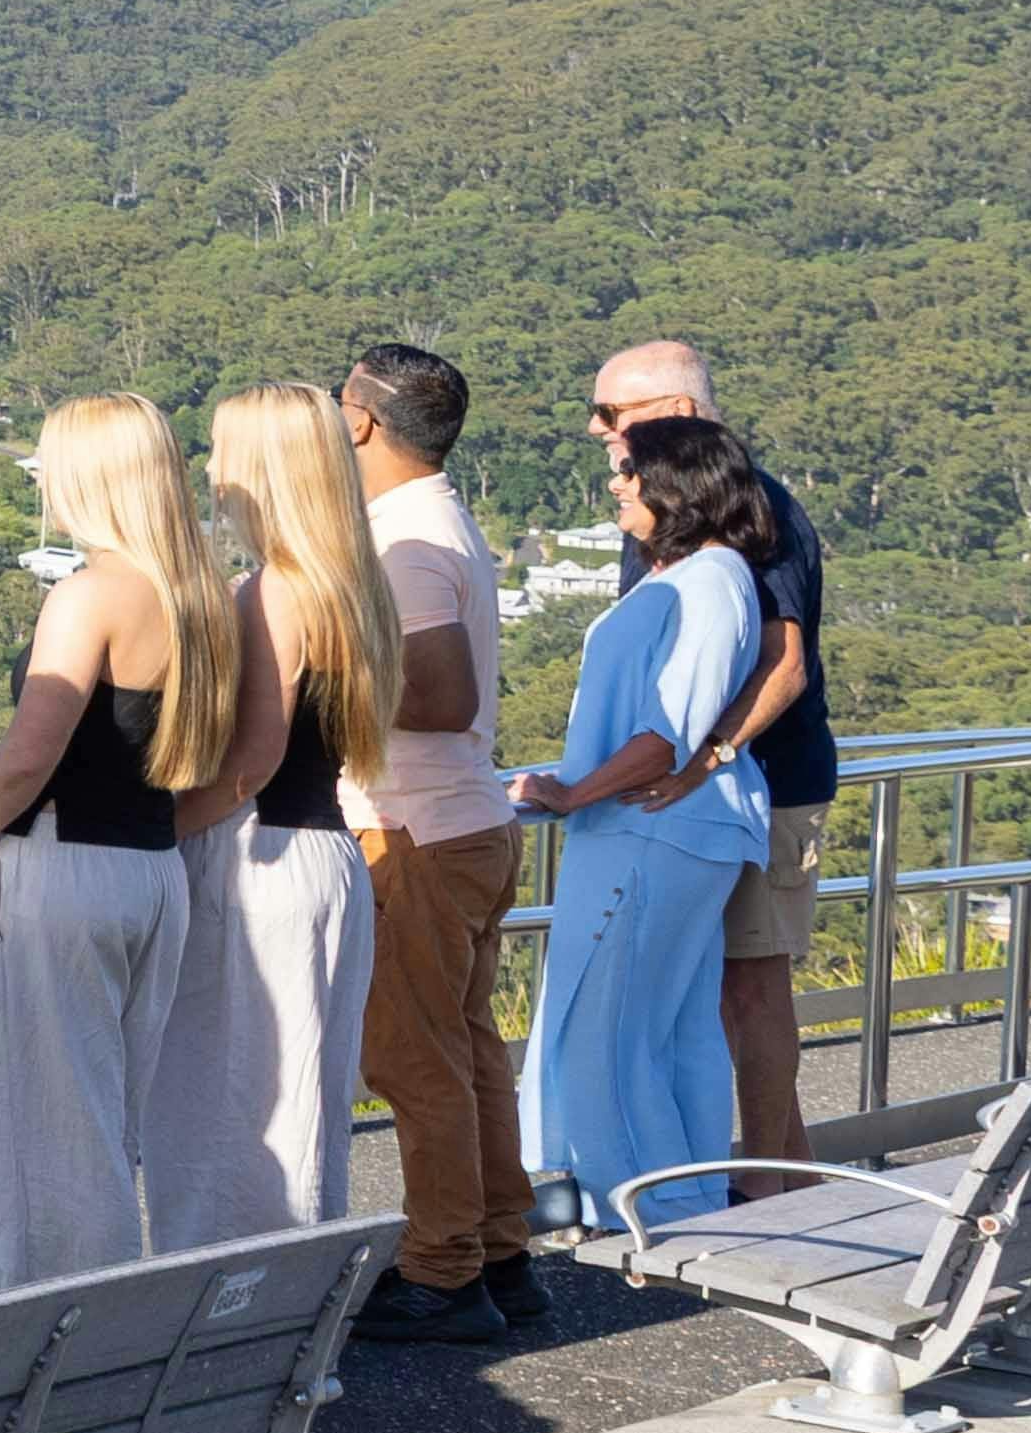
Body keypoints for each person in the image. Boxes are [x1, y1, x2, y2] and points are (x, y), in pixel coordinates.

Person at [0, 395, 247, 1289]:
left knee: (41, 1135)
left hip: (60, 870)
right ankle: (104, 1331)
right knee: (106, 1124)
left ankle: (52, 1348)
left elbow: (31, 749)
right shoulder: (202, 597)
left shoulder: (88, 593)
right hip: (150, 871)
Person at [514, 410, 784, 1227]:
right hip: (671, 832)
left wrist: (567, 794)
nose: (614, 484)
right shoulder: (710, 577)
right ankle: (685, 1197)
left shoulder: (705, 582)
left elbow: (664, 734)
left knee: (602, 1025)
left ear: (677, 484)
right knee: (669, 1028)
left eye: (628, 469)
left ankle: (634, 1205)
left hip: (647, 831)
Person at [151, 381, 397, 1246]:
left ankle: (225, 1321)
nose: (210, 468)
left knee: (230, 1110)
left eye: (222, 450)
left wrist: (154, 834)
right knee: (305, 1102)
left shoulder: (272, 593)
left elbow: (247, 764)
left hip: (258, 864)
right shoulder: (350, 584)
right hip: (322, 853)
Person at [338, 342, 539, 1345]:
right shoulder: (438, 518)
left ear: (366, 420)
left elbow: (441, 692)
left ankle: (444, 1269)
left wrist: (321, 684)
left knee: (414, 1061)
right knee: (466, 1051)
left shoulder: (399, 541)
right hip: (466, 822)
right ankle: (499, 1246)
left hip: (409, 828)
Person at [592, 341, 836, 1165]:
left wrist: (707, 755)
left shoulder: (751, 508)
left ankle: (762, 1181)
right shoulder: (668, 511)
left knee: (751, 982)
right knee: (719, 983)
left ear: (678, 414)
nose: (599, 433)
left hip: (761, 783)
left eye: (612, 414)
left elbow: (783, 663)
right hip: (694, 783)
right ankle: (789, 1169)